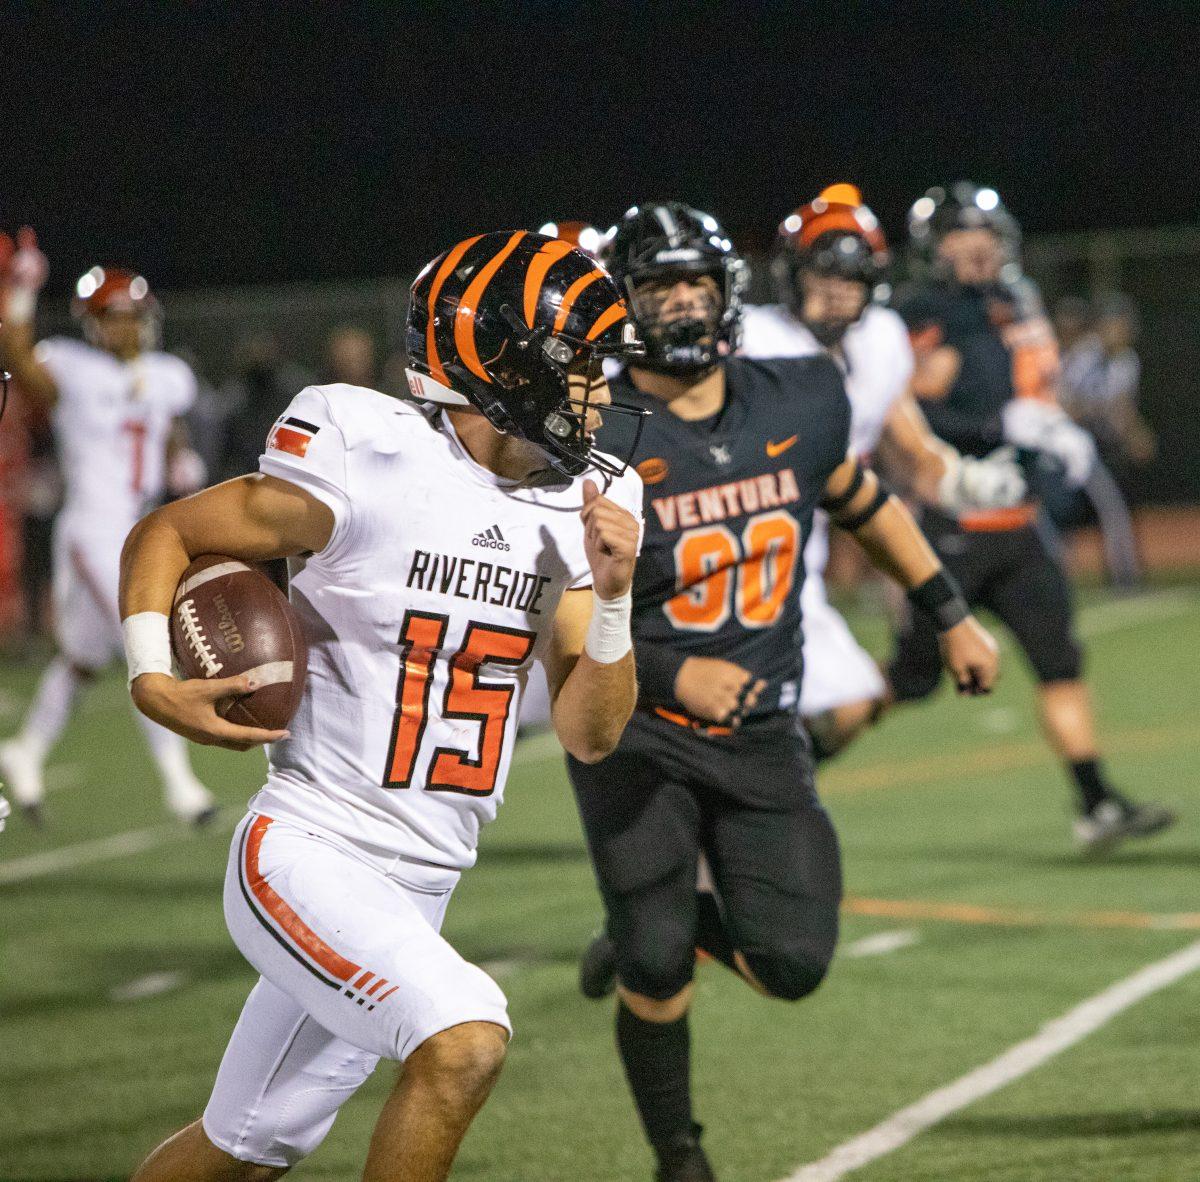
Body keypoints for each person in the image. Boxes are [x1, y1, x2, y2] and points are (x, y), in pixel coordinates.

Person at [121, 229, 647, 1182]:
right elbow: (169, 530)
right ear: (503, 365)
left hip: (423, 883)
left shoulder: (588, 505)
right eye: (579, 367)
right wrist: (152, 676)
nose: (600, 394)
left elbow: (592, 733)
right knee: (466, 1038)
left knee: (247, 1145)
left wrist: (612, 601)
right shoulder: (373, 453)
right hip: (310, 847)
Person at [572, 203, 999, 1182]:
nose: (681, 304)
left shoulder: (798, 392)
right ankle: (679, 1154)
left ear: (727, 294)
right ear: (625, 303)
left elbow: (859, 501)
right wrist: (674, 667)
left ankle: (655, 929)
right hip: (637, 728)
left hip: (764, 730)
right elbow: (551, 610)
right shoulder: (595, 435)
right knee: (656, 961)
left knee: (796, 963)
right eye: (658, 288)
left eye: (695, 285)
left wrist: (950, 612)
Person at [891, 182, 1175, 849]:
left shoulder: (1013, 300)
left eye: (986, 234)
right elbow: (901, 410)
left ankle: (1096, 800)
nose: (978, 247)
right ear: (936, 247)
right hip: (953, 521)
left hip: (1020, 523)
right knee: (911, 680)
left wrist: (1055, 430)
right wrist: (994, 423)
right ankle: (807, 750)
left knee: (1060, 662)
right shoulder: (924, 311)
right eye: (963, 235)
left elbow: (1033, 389)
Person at [742, 183, 1026, 756]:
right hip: (732, 552)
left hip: (799, 569)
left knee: (854, 705)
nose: (835, 293)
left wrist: (959, 478)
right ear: (790, 276)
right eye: (821, 275)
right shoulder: (752, 339)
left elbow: (911, 450)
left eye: (849, 278)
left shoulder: (881, 341)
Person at [0, 228, 215, 826]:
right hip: (95, 528)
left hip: (137, 525)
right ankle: (182, 787)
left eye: (133, 315)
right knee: (146, 644)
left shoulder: (168, 372)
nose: (126, 327)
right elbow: (17, 356)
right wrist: (20, 291)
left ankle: (25, 750)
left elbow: (163, 423)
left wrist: (179, 457)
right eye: (114, 317)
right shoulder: (72, 368)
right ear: (94, 323)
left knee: (84, 659)